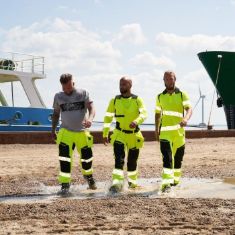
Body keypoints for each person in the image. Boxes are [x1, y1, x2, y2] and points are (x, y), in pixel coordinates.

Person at [51, 73, 97, 195]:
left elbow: (92, 108)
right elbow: (56, 114)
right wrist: (53, 130)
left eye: (69, 87)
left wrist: (90, 120)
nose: (67, 90)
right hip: (65, 133)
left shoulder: (83, 93)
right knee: (64, 159)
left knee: (87, 160)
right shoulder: (58, 96)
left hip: (82, 133)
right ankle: (65, 186)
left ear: (73, 83)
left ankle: (90, 180)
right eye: (64, 88)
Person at [103, 76, 147, 193]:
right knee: (119, 159)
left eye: (124, 84)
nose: (121, 86)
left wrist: (136, 121)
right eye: (120, 84)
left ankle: (132, 184)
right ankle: (117, 184)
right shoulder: (114, 100)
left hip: (134, 135)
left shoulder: (138, 100)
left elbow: (144, 114)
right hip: (119, 134)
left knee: (132, 161)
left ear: (130, 85)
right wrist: (105, 133)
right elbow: (108, 117)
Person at [155, 71, 192, 193]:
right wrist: (156, 130)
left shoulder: (182, 95)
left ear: (175, 79)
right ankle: (166, 183)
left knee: (178, 159)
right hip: (165, 132)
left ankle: (175, 181)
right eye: (166, 79)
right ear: (163, 81)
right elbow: (157, 114)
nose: (169, 81)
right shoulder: (159, 97)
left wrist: (185, 119)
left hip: (179, 133)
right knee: (167, 157)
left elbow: (189, 109)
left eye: (171, 79)